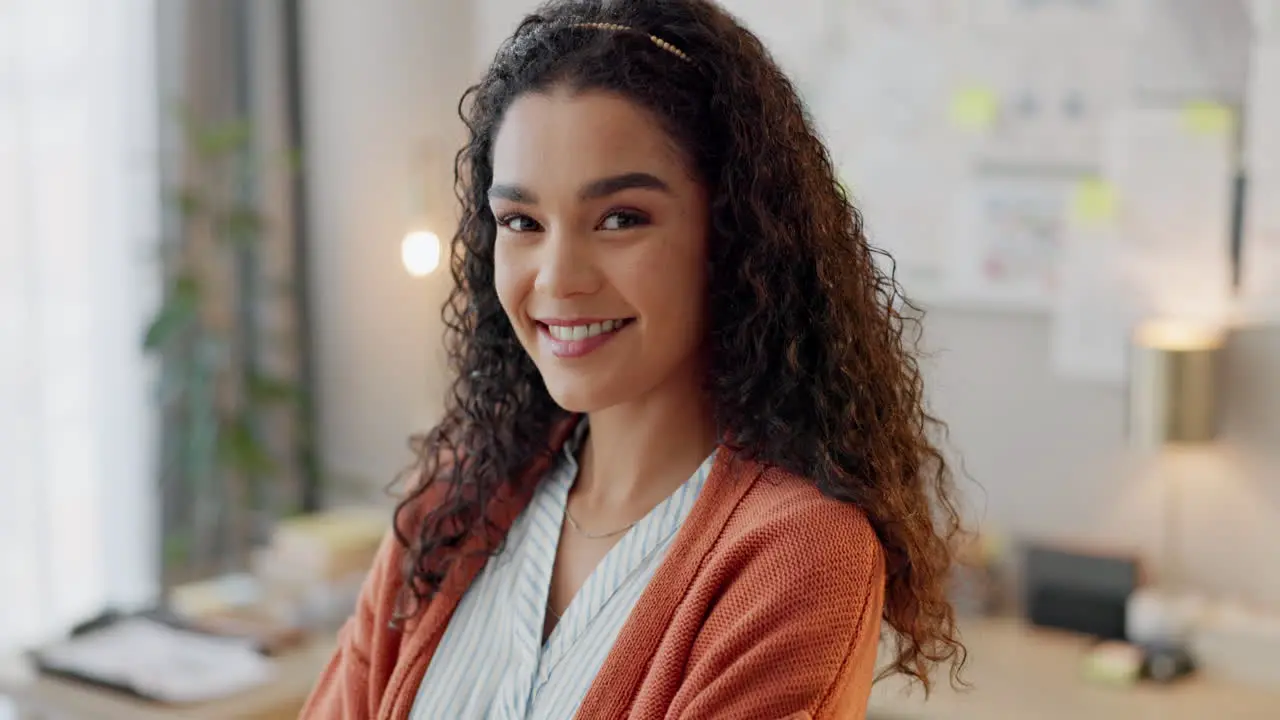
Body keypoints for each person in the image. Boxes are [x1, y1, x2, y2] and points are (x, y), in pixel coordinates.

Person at [302, 0, 966, 717]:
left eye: (620, 219)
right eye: (522, 222)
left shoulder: (800, 555)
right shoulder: (454, 502)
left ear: (731, 233)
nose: (558, 278)